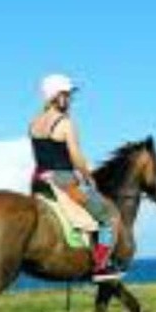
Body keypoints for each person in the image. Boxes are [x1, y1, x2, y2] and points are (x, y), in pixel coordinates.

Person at [29, 74, 121, 281]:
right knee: (109, 217)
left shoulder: (34, 123)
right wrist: (88, 177)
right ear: (56, 96)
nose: (70, 99)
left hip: (38, 181)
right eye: (67, 95)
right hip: (64, 181)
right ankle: (100, 266)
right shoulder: (65, 123)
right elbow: (76, 157)